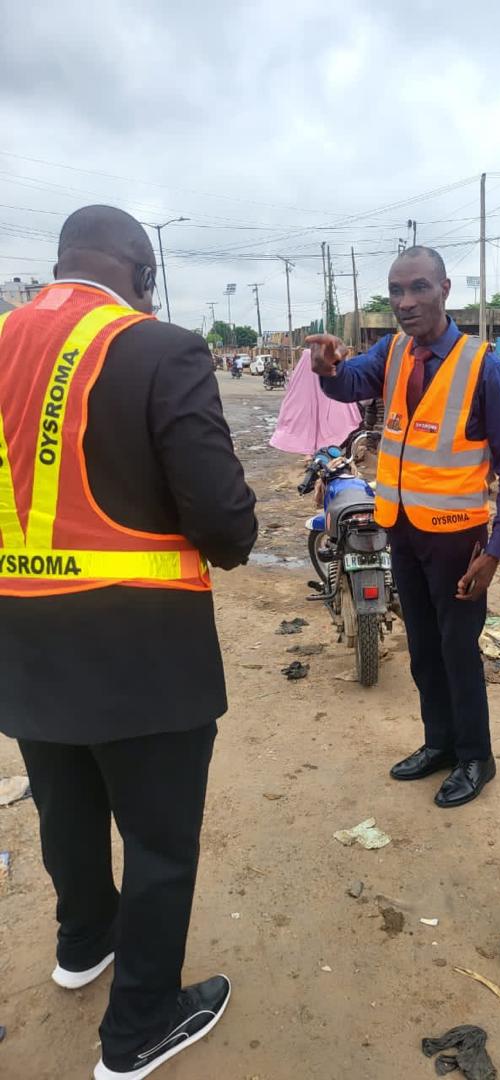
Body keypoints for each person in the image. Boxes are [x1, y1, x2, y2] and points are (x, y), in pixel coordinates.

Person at [0, 205, 257, 1078]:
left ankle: (84, 941)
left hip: (22, 639)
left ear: (60, 262)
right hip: (142, 651)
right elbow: (223, 521)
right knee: (159, 842)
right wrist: (233, 532)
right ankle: (139, 1026)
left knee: (64, 805)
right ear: (142, 275)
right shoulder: (159, 348)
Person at [308, 246, 500, 808]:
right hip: (402, 531)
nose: (405, 302)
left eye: (418, 288)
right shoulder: (392, 352)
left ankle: (476, 756)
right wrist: (328, 367)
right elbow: (347, 384)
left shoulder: (483, 366)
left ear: (445, 290)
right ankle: (440, 743)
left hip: (458, 539)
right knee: (423, 647)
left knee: (458, 649)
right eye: (396, 291)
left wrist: (497, 549)